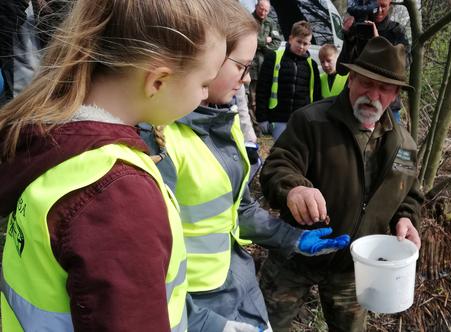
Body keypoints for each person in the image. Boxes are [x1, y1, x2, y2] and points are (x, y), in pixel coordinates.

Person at [0, 0, 229, 330]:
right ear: (158, 81)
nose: (205, 94)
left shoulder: (57, 143)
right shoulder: (118, 195)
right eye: (204, 83)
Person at [142, 8, 350, 332]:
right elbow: (146, 274)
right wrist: (207, 325)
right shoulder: (158, 140)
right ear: (205, 57)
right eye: (241, 67)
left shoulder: (223, 122)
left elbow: (238, 210)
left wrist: (292, 238)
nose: (247, 78)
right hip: (199, 307)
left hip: (240, 291)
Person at [259, 36, 424, 332]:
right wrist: (294, 188)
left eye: (384, 88)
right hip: (296, 255)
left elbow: (408, 195)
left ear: (396, 94)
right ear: (351, 80)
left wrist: (407, 219)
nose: (372, 95)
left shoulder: (404, 145)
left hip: (355, 267)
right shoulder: (311, 121)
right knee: (267, 327)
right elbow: (276, 167)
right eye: (365, 83)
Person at [337, 0, 410, 123]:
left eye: (383, 6)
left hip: (387, 106)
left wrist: (378, 42)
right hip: (356, 101)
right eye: (376, 6)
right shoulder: (359, 27)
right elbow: (341, 70)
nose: (379, 10)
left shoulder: (396, 31)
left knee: (393, 140)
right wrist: (349, 39)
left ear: (390, 6)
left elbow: (406, 63)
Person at [255, 20, 322, 141]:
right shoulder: (274, 58)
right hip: (278, 119)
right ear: (291, 39)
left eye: (305, 43)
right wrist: (262, 117)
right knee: (280, 153)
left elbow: (316, 96)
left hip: (302, 121)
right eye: (299, 41)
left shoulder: (312, 65)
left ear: (310, 45)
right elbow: (262, 89)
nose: (301, 46)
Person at [248, 0, 282, 127]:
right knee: (251, 98)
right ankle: (254, 126)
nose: (263, 12)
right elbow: (248, 39)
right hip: (251, 66)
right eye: (261, 9)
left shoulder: (271, 23)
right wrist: (264, 42)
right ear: (256, 6)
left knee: (263, 96)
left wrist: (262, 47)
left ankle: (261, 123)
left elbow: (277, 42)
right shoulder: (248, 20)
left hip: (266, 67)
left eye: (266, 10)